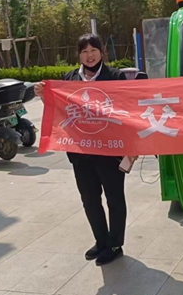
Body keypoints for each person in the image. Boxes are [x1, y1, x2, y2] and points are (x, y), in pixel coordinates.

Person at [34, 34, 128, 266]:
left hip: (110, 150)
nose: (89, 55)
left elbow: (128, 109)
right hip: (81, 152)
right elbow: (61, 109)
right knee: (89, 198)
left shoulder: (116, 76)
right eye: (84, 51)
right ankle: (101, 240)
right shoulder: (69, 79)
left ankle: (115, 244)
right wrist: (44, 96)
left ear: (101, 52)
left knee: (114, 198)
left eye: (93, 50)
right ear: (79, 55)